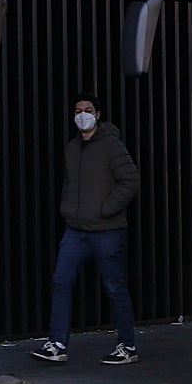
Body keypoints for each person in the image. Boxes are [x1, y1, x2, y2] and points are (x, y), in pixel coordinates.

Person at [30, 92, 141, 365]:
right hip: (76, 230)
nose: (82, 115)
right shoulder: (72, 147)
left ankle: (127, 346)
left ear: (98, 115)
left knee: (114, 287)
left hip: (107, 230)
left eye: (88, 110)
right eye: (78, 110)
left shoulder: (111, 145)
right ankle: (57, 344)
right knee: (61, 281)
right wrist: (67, 209)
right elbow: (69, 183)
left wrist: (105, 209)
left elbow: (130, 180)